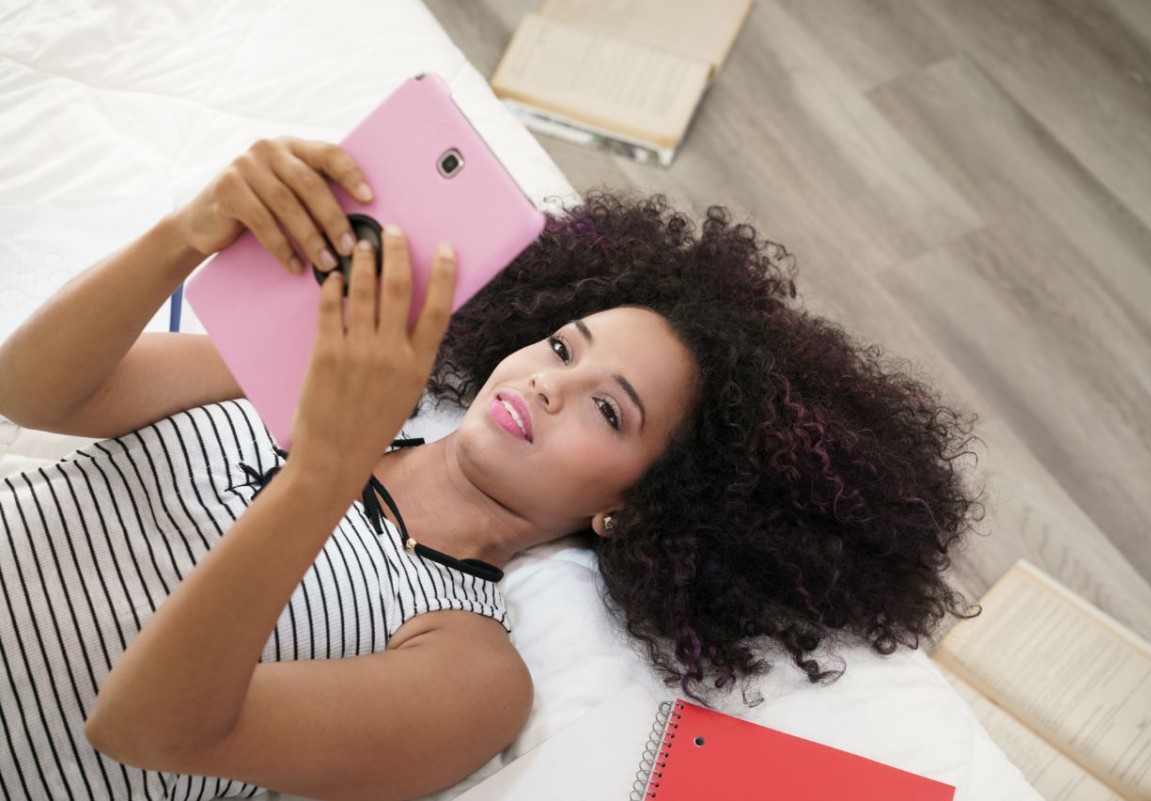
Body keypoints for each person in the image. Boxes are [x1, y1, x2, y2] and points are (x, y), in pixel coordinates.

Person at [0, 138, 982, 800]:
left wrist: (323, 475)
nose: (553, 384)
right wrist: (189, 232)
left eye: (608, 407)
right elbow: (35, 394)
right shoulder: (318, 377)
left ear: (631, 513)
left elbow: (148, 728)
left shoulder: (471, 667)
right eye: (563, 346)